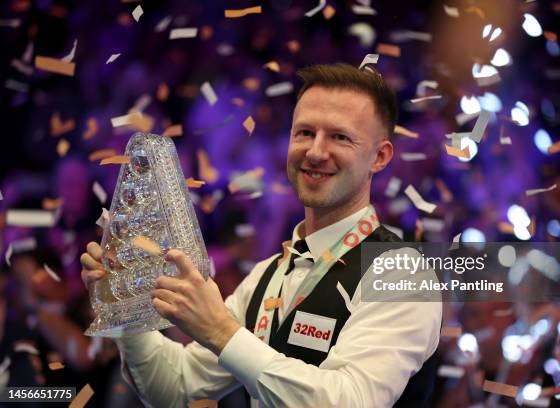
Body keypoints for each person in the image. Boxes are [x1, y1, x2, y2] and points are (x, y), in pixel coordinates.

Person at [80, 63, 442, 407]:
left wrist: (221, 332)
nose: (315, 151)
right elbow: (175, 390)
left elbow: (349, 401)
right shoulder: (268, 275)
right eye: (304, 132)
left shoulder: (401, 273)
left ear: (380, 156)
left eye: (340, 137)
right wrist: (124, 303)